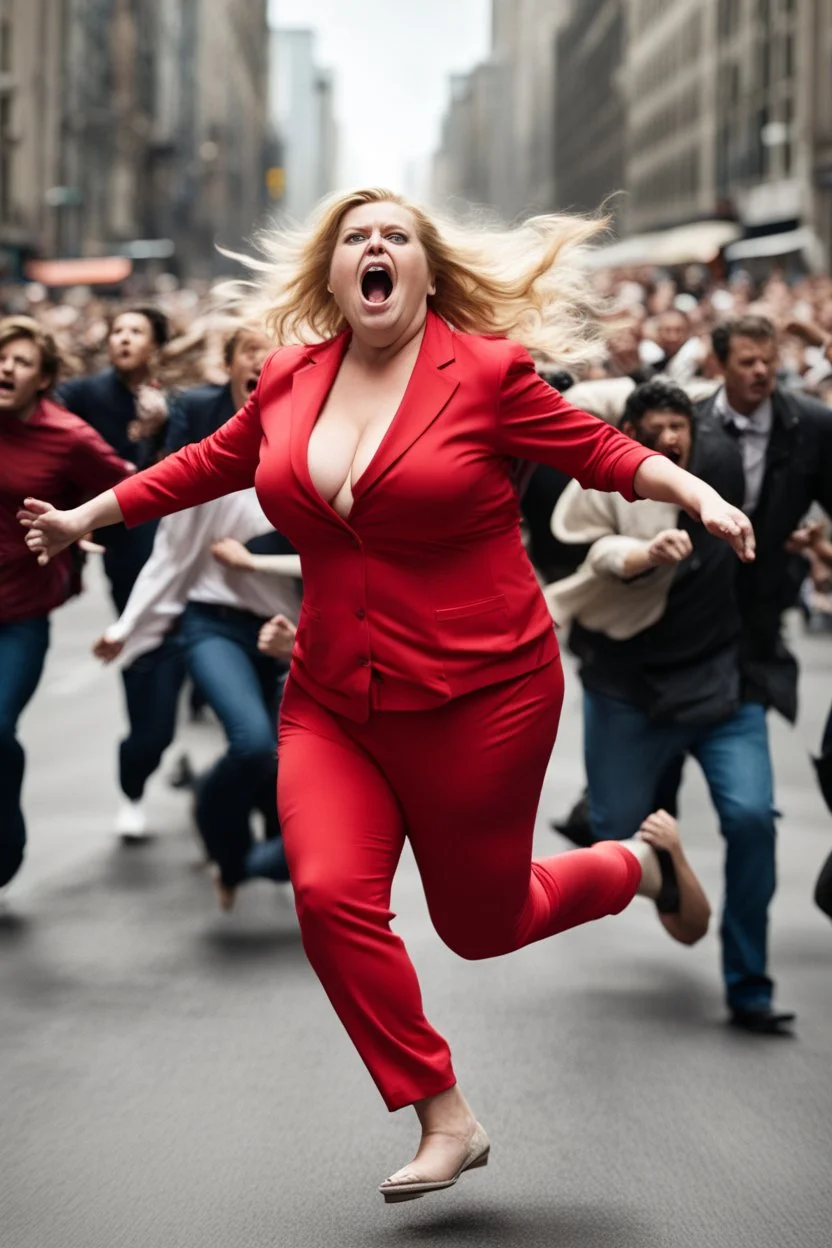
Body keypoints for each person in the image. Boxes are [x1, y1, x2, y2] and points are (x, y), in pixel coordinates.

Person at [18, 188, 754, 1202]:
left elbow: (602, 453)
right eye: (354, 237)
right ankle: (442, 1113)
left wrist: (700, 491)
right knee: (328, 896)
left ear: (424, 270)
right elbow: (200, 465)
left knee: (480, 925)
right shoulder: (286, 378)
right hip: (334, 693)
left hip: (482, 691)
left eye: (394, 236)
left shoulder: (487, 373)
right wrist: (84, 515)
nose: (374, 247)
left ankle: (637, 866)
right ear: (331, 275)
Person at [547, 379, 793, 1034]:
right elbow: (601, 554)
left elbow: (781, 450)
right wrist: (643, 553)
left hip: (720, 686)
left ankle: (749, 985)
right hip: (626, 689)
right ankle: (664, 853)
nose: (668, 440)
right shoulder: (603, 483)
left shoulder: (718, 463)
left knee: (751, 820)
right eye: (651, 430)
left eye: (678, 428)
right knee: (613, 832)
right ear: (627, 437)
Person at [96, 324, 275, 839]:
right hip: (192, 598)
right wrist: (130, 623)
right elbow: (169, 530)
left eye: (274, 353)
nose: (263, 363)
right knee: (154, 727)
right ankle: (138, 791)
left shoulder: (316, 452)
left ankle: (241, 842)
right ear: (231, 364)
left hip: (276, 626)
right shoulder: (204, 432)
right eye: (251, 352)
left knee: (272, 760)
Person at [93, 489, 301, 911]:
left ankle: (233, 858)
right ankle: (216, 825)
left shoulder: (326, 477)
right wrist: (126, 627)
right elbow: (169, 559)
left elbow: (354, 560)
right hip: (214, 624)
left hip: (292, 633)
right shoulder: (219, 479)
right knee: (254, 743)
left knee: (285, 777)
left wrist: (258, 566)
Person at [0, 316, 130, 888]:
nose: (6, 368)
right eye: (1, 357)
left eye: (22, 361)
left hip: (22, 612)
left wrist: (81, 522)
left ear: (45, 378)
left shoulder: (67, 435)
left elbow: (126, 481)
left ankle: (6, 844)